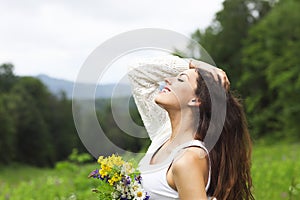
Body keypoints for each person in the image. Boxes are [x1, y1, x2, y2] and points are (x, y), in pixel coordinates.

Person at [128, 55, 254, 200]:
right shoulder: (163, 134)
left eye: (181, 79)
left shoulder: (188, 159)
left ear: (196, 100)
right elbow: (136, 70)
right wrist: (200, 65)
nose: (168, 79)